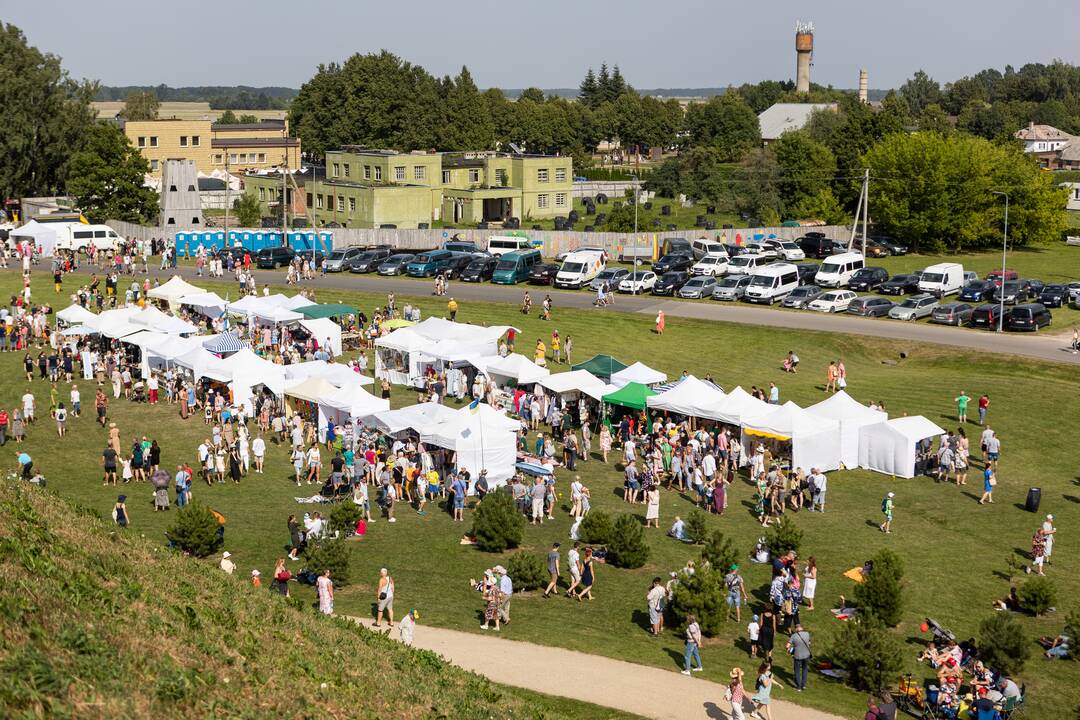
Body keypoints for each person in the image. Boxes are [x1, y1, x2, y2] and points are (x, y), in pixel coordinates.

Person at [787, 624, 812, 692]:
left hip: (798, 656)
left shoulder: (794, 636)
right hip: (806, 655)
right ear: (802, 628)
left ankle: (798, 687)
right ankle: (803, 685)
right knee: (805, 669)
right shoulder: (807, 634)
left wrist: (790, 650)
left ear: (796, 629)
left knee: (797, 671)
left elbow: (787, 646)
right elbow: (809, 643)